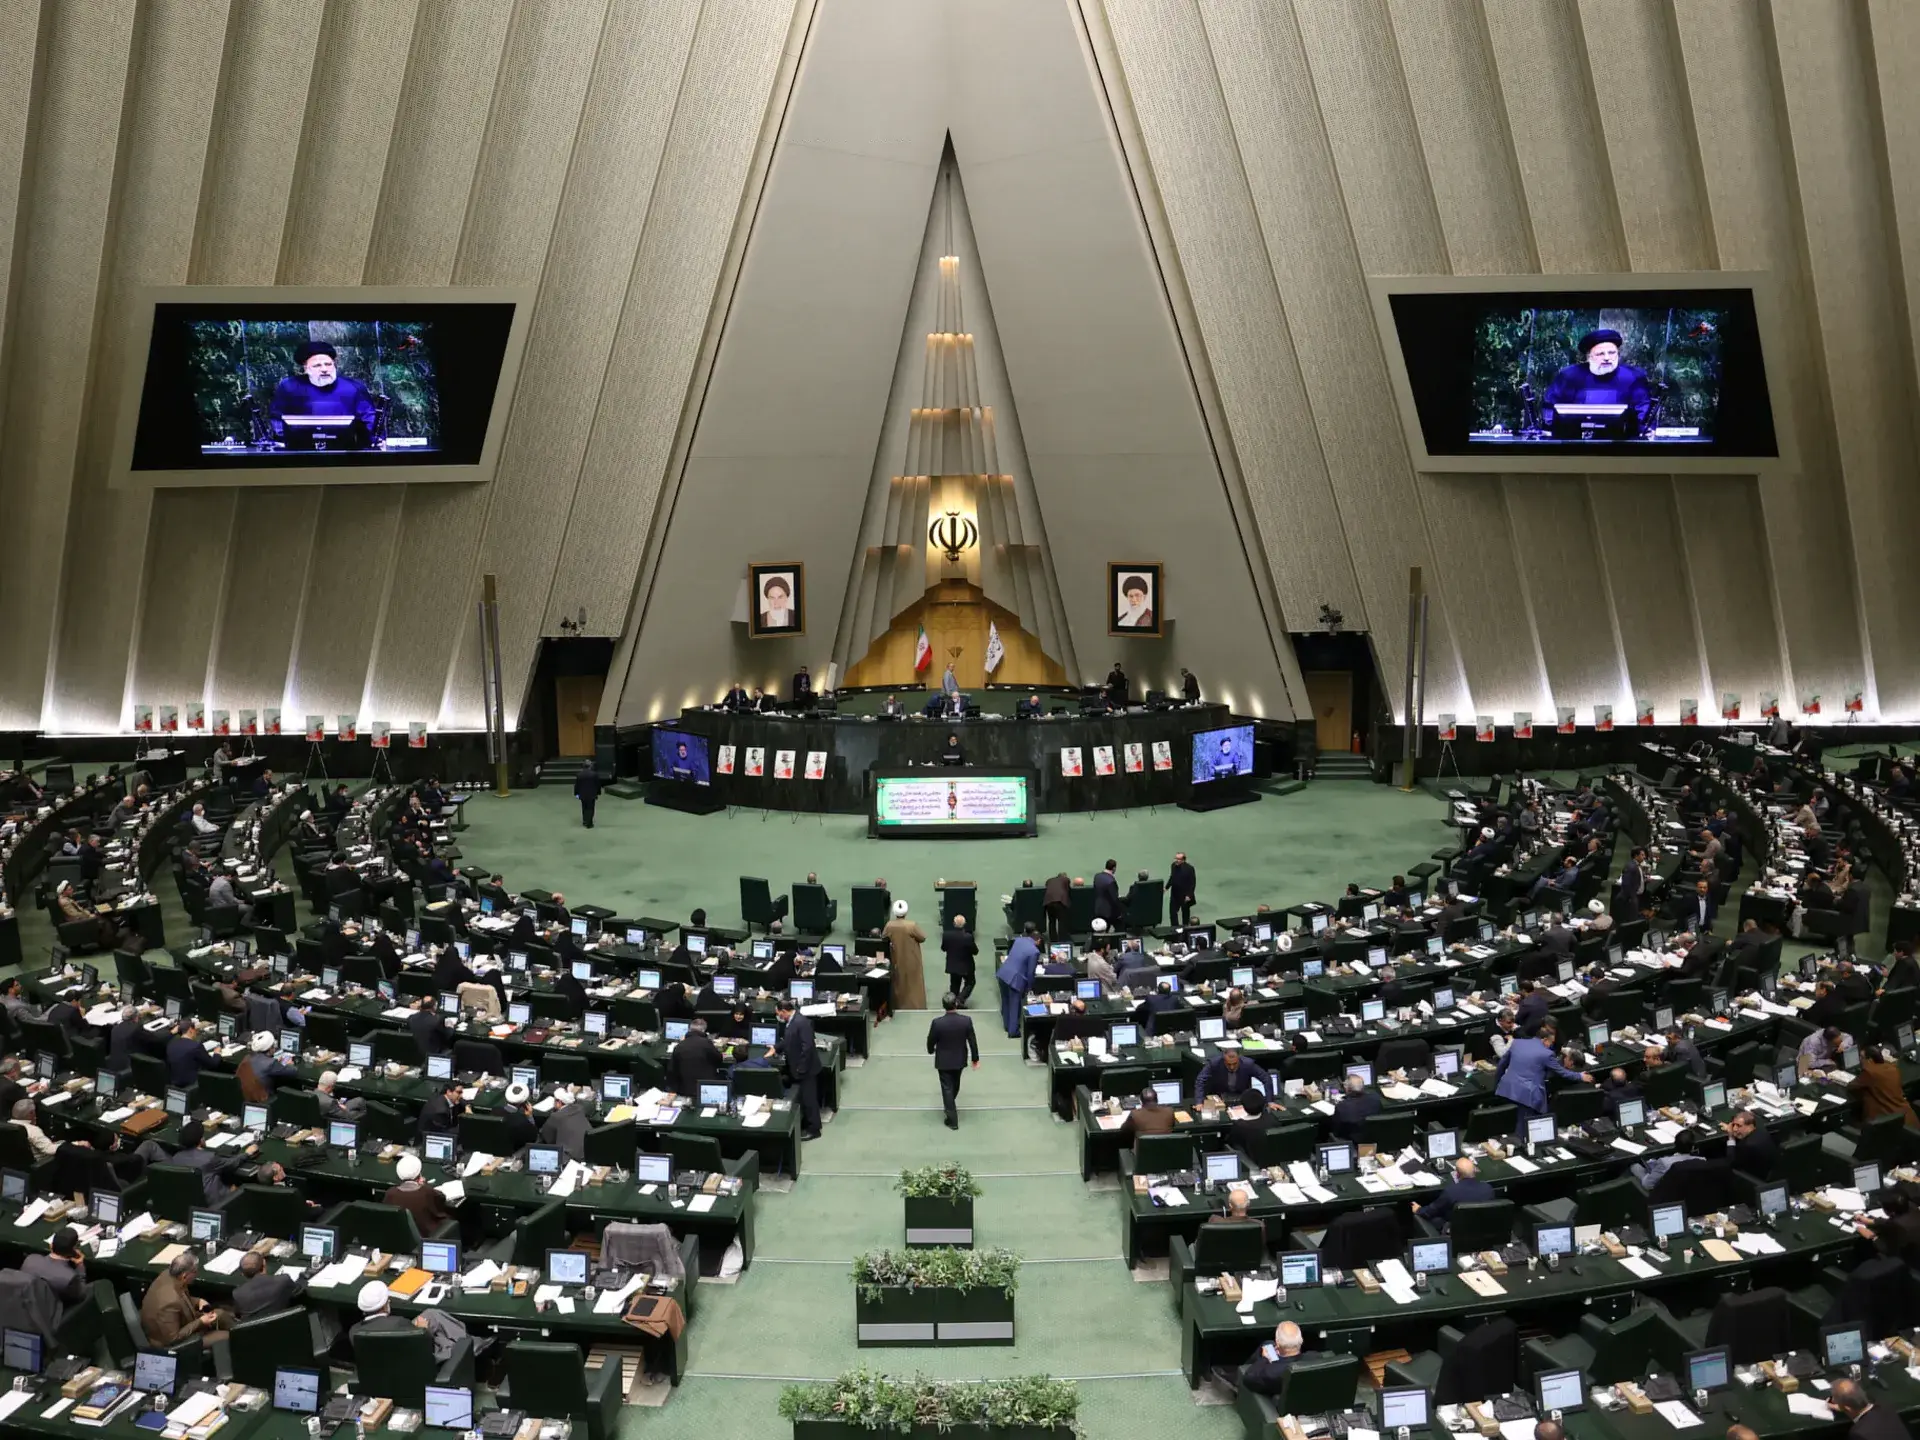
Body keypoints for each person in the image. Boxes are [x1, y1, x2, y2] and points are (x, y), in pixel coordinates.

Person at [1542, 328, 1651, 437]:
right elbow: (1550, 407)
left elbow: (1643, 410)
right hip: (1573, 441)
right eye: (1600, 354)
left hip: (1622, 441)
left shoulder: (1633, 377)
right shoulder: (1569, 376)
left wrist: (1646, 430)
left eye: (1612, 353)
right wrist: (1548, 430)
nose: (1607, 358)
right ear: (1589, 356)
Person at [270, 341, 377, 447]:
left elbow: (369, 419)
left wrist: (373, 442)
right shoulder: (289, 386)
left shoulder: (353, 387)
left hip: (345, 451)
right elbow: (277, 419)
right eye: (317, 365)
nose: (324, 369)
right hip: (300, 451)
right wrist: (282, 443)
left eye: (328, 364)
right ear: (306, 368)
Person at [1494, 1020, 1591, 1118]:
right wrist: (1580, 1076)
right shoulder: (1547, 1054)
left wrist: (1498, 1083)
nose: (1551, 1045)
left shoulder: (1517, 1043)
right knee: (1526, 1122)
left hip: (1507, 1088)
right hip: (1527, 1096)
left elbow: (1501, 1065)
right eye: (1551, 1042)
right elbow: (1562, 1072)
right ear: (1544, 1040)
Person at [141, 1252, 233, 1346]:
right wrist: (201, 1321)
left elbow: (181, 1297)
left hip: (184, 1320)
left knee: (220, 1314)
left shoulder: (169, 1275)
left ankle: (239, 1330)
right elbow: (173, 1338)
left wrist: (198, 1301)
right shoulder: (170, 1302)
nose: (196, 1275)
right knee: (227, 1336)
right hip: (173, 1344)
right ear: (184, 1276)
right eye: (195, 1272)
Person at [926, 994, 980, 1130]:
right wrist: (975, 1059)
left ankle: (951, 1117)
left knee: (947, 1089)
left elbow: (931, 1040)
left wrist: (931, 1050)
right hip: (959, 1060)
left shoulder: (937, 1023)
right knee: (954, 1085)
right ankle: (951, 1113)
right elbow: (972, 1041)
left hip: (943, 1061)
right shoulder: (966, 1021)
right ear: (956, 1004)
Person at [775, 999, 822, 1140]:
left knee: (809, 1099)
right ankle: (807, 1123)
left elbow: (807, 1047)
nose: (778, 1016)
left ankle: (814, 1129)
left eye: (778, 1013)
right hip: (798, 1067)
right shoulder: (792, 1021)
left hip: (806, 1069)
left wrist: (801, 1068)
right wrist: (776, 1048)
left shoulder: (801, 1022)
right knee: (803, 1097)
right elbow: (789, 1040)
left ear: (784, 1011)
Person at [1412, 1156, 1495, 1227]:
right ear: (1475, 1171)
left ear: (1457, 1174)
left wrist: (1418, 1210)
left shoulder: (1451, 1192)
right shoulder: (1488, 1188)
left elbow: (1431, 1211)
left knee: (1434, 1219)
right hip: (1480, 1228)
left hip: (1456, 1230)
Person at [1850, 1045, 1920, 1128]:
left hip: (1887, 1121)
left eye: (1862, 1057)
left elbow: (1851, 1086)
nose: (1860, 1060)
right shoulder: (1892, 1067)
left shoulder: (1870, 1071)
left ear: (1870, 1060)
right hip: (1907, 1117)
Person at [22, 1228, 87, 1315]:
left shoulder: (30, 1259)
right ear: (74, 1250)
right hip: (49, 1315)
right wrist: (80, 1266)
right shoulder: (69, 1277)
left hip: (25, 1308)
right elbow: (81, 1295)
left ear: (51, 1246)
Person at [383, 1152, 453, 1232]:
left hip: (401, 1235)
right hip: (427, 1234)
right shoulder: (426, 1192)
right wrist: (424, 1186)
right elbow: (441, 1201)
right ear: (419, 1175)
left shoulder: (390, 1193)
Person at [996, 926, 1040, 1039]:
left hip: (1003, 973)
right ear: (1038, 940)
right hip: (1015, 979)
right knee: (1015, 1004)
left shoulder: (1018, 940)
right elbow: (1030, 973)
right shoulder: (1034, 952)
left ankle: (1007, 1025)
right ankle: (1013, 1031)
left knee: (1006, 1001)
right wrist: (1029, 988)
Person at [1830, 1378, 1911, 1440]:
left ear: (1848, 1408)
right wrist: (1843, 1406)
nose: (1832, 1400)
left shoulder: (1859, 1433)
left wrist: (1843, 1407)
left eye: (1834, 1399)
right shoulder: (1886, 1406)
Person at [884, 900, 928, 1011]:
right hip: (911, 959)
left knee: (898, 982)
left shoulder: (889, 925)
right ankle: (916, 1006)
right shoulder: (911, 925)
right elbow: (922, 937)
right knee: (913, 982)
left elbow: (883, 938)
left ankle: (898, 1005)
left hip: (896, 958)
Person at [1241, 1320, 1304, 1396]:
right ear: (1301, 1340)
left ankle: (1236, 1379)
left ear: (1278, 1343)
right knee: (1268, 1344)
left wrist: (1265, 1358)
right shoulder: (1313, 1357)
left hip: (1274, 1396)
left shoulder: (1270, 1374)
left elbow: (1248, 1379)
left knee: (1267, 1346)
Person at [1193, 1047, 1271, 1105]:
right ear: (1223, 1060)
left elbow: (1266, 1078)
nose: (1232, 1067)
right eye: (1228, 1064)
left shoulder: (1248, 1064)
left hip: (1242, 1097)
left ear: (1239, 1059)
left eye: (1234, 1064)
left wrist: (1270, 1101)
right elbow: (1200, 1080)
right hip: (1220, 1097)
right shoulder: (1214, 1063)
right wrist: (1199, 1102)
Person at [667, 1018, 725, 1094]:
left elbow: (671, 1070)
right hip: (706, 1088)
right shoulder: (706, 1043)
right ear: (703, 1030)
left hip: (685, 1088)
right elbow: (719, 1059)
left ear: (690, 1029)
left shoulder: (679, 1046)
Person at [1724, 1108, 1776, 1177]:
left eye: (1739, 1126)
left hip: (1754, 1176)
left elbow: (1731, 1162)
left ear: (1750, 1126)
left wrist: (1731, 1138)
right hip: (1770, 1169)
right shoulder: (1762, 1131)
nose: (1734, 1129)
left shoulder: (1747, 1145)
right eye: (1733, 1125)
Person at [1331, 1073, 1382, 1141]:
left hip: (1351, 1142)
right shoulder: (1375, 1099)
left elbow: (1337, 1132)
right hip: (1372, 1139)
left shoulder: (1342, 1107)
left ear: (1346, 1088)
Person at [941, 914, 978, 1006]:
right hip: (966, 966)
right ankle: (960, 1000)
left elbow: (943, 948)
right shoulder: (968, 937)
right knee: (970, 982)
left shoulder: (947, 935)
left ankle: (952, 1003)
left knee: (954, 986)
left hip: (953, 965)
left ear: (954, 924)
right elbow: (975, 951)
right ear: (964, 924)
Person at [1168, 852, 1197, 928]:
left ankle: (1185, 927)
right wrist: (1166, 887)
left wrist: (1189, 895)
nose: (1176, 860)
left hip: (1185, 895)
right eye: (1176, 858)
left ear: (1183, 860)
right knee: (1173, 913)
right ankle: (1174, 928)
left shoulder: (1190, 869)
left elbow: (1192, 883)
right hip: (1174, 893)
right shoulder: (1173, 866)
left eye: (1178, 859)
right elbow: (1172, 877)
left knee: (1185, 913)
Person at [1042, 872, 1073, 941]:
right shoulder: (1066, 879)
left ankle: (1053, 940)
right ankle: (1062, 939)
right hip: (1060, 901)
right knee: (1061, 921)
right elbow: (1068, 890)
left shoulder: (1049, 880)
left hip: (1048, 902)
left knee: (1051, 921)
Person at [1092, 859, 1122, 927]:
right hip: (1108, 912)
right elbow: (1114, 899)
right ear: (1114, 868)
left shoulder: (1097, 876)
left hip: (1097, 908)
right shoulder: (1111, 881)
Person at [573, 761, 600, 829]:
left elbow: (577, 785)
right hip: (592, 794)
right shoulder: (594, 774)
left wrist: (576, 793)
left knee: (584, 807)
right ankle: (589, 823)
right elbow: (597, 784)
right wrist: (598, 792)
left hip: (582, 794)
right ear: (590, 766)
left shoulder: (579, 774)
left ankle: (585, 820)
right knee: (590, 808)